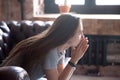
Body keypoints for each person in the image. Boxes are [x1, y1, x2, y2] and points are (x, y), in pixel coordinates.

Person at [1, 14, 89, 80]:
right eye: (80, 32)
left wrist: (74, 60)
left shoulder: (60, 50)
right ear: (69, 34)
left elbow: (61, 77)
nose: (82, 36)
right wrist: (74, 60)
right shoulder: (51, 51)